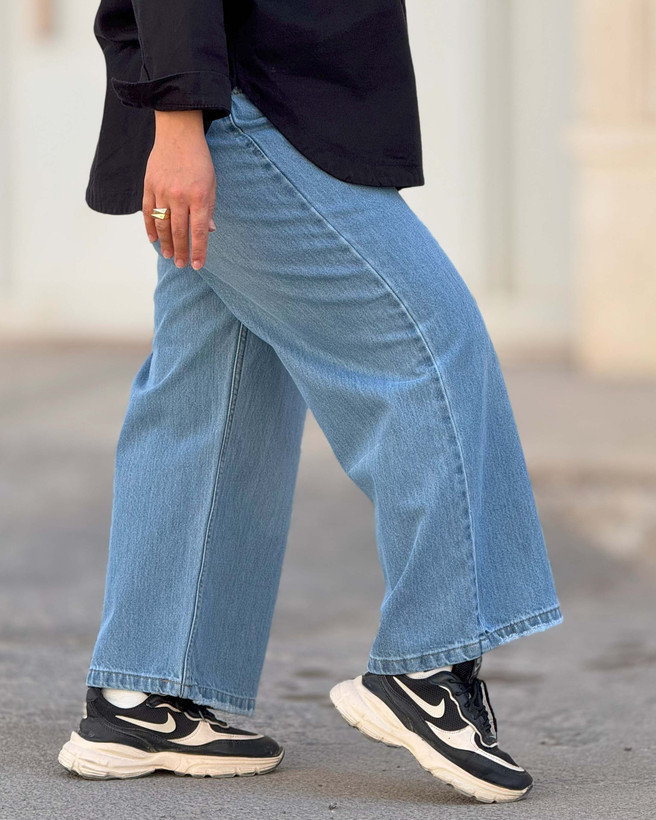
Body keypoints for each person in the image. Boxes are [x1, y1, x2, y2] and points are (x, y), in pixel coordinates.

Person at [58, 0, 562, 803]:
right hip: (251, 102)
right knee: (430, 349)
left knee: (215, 386)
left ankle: (145, 692)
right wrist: (181, 121)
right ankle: (431, 662)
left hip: (244, 98)